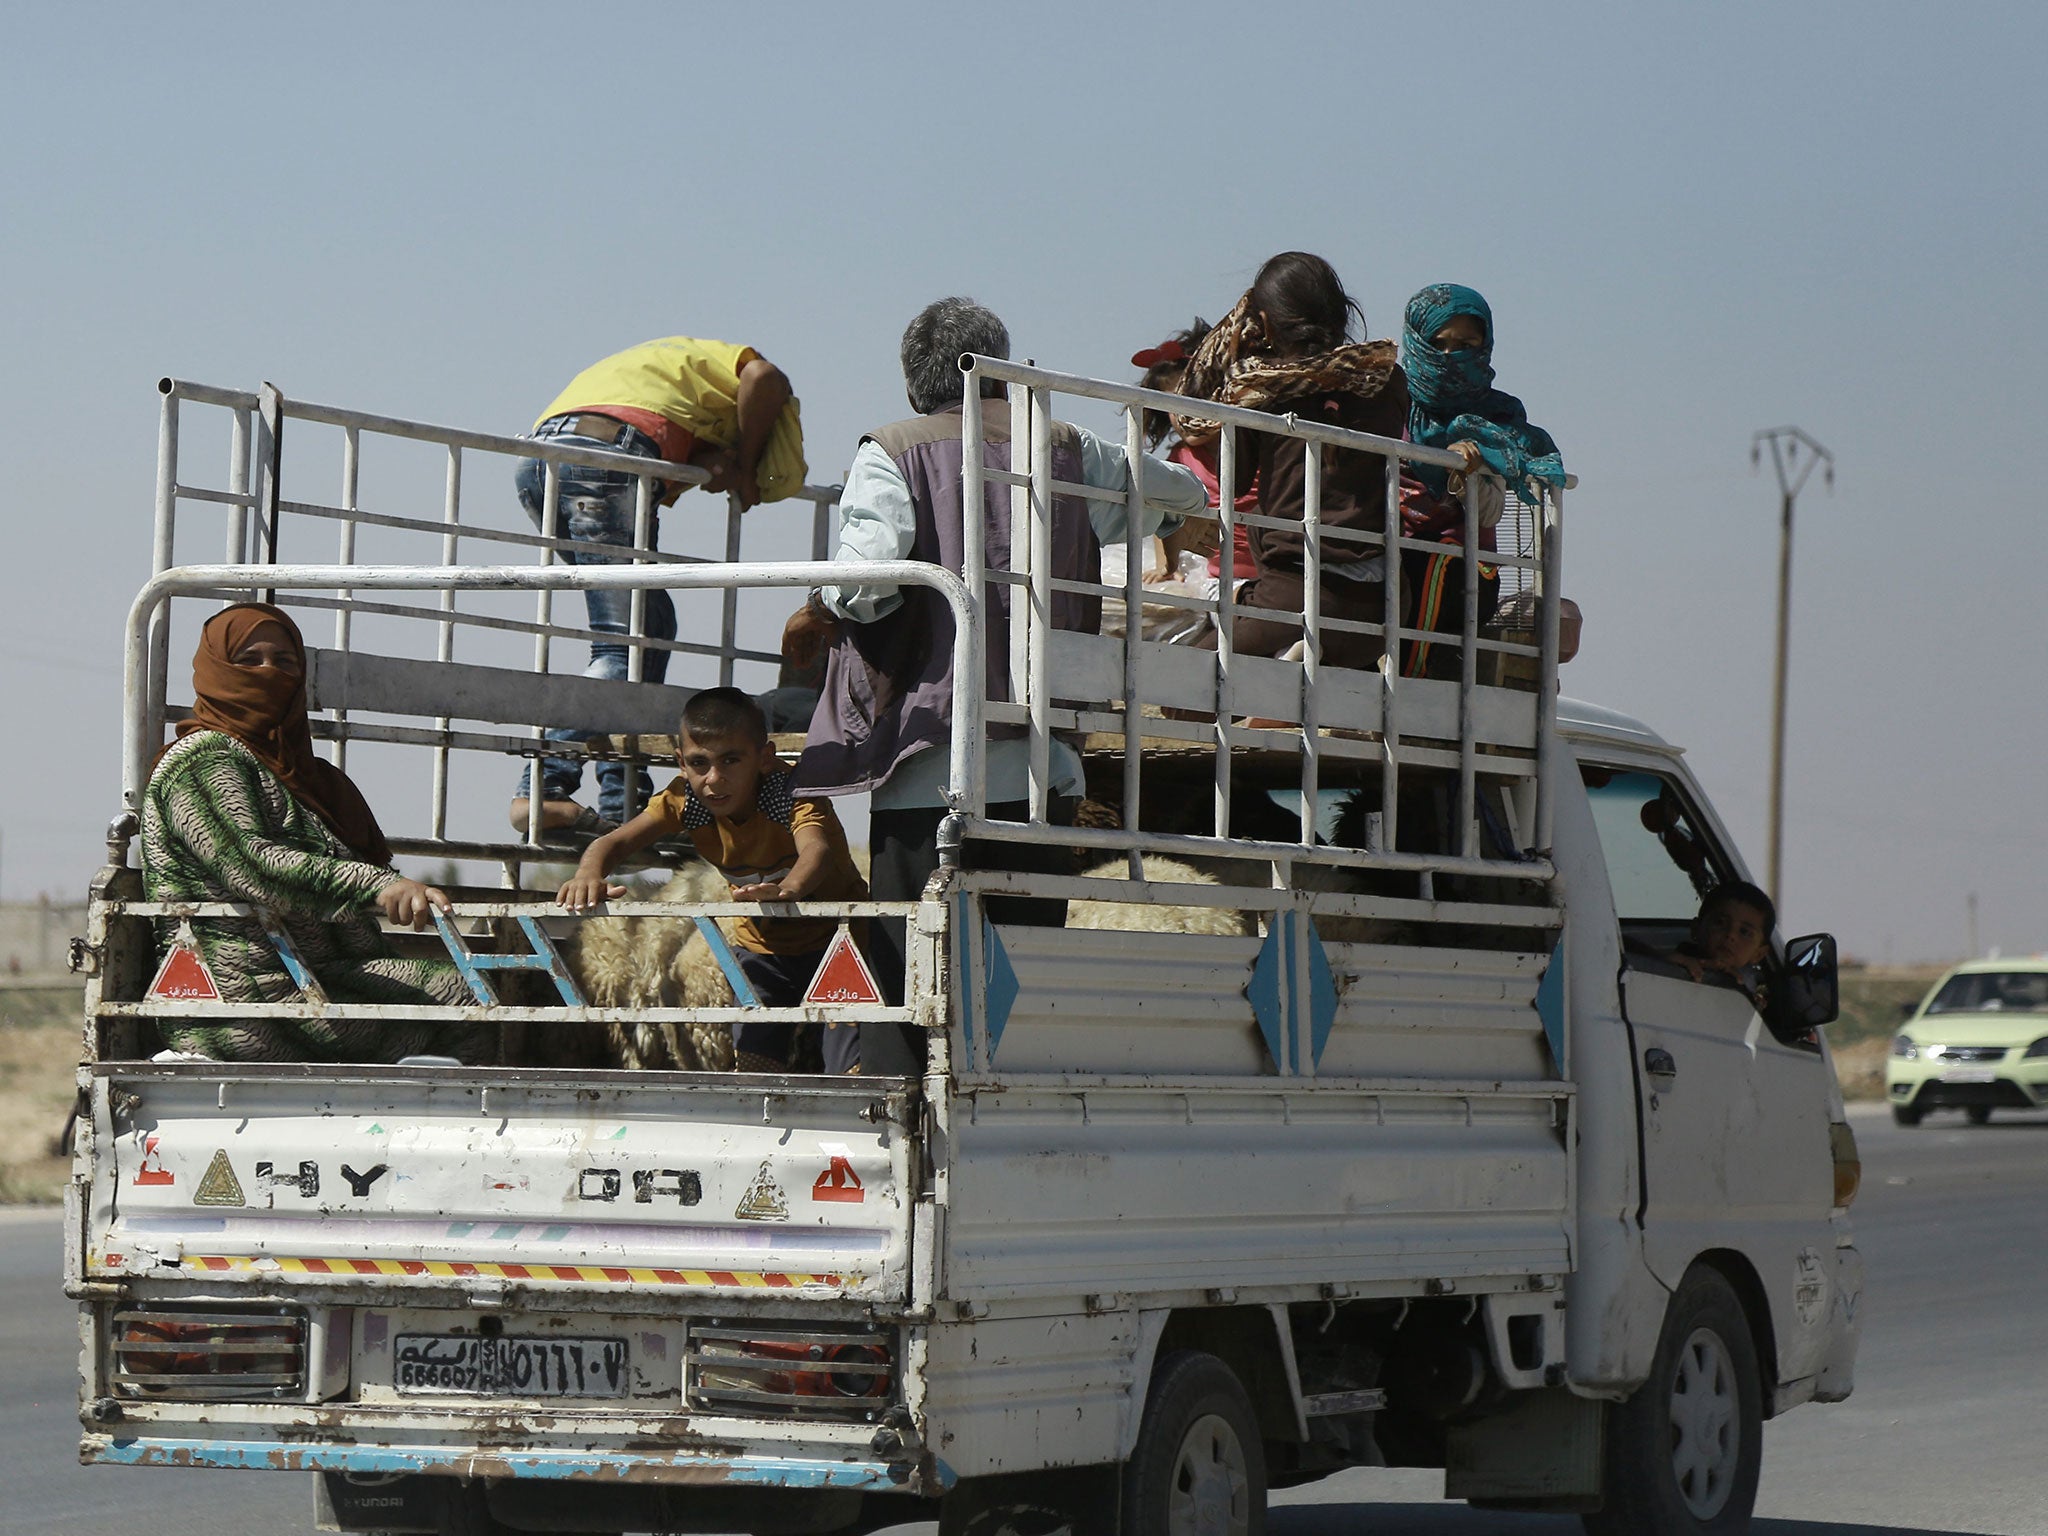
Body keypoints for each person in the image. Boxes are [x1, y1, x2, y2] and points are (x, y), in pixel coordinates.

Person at [781, 297, 1207, 1074]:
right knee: (1020, 985)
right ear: (1003, 372)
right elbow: (1183, 496)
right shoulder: (1068, 449)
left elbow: (864, 584)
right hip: (1048, 767)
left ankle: (906, 1137)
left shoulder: (893, 451)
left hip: (927, 767)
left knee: (915, 982)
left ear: (915, 382)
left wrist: (820, 604)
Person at [140, 604, 488, 1063]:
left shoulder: (293, 774)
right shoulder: (203, 761)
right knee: (464, 1004)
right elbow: (252, 865)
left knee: (477, 993)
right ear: (215, 671)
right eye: (249, 660)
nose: (269, 672)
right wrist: (380, 886)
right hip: (246, 998)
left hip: (317, 976)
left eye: (285, 662)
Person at [510, 336, 807, 836]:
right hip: (605, 457)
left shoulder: (682, 387)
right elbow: (766, 380)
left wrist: (716, 464)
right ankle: (542, 786)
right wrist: (745, 459)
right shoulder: (738, 372)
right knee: (622, 639)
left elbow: (694, 449)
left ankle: (622, 800)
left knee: (649, 622)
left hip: (544, 459)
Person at [557, 687, 866, 1074]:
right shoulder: (686, 801)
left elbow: (816, 851)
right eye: (699, 763)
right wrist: (589, 873)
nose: (714, 779)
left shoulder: (791, 794)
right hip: (763, 948)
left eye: (731, 761)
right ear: (681, 763)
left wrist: (789, 889)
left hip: (836, 942)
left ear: (764, 758)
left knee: (851, 1070)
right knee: (755, 1063)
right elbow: (614, 842)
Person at [1180, 253, 1410, 670]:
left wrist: (1235, 370)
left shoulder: (1261, 388)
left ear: (1265, 325)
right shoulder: (1386, 377)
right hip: (1387, 603)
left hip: (1297, 590)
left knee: (1178, 678)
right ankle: (1305, 658)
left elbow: (1233, 480)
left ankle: (1290, 655)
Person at [1398, 284, 1565, 678]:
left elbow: (1490, 514)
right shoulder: (1391, 402)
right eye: (1438, 342)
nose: (1450, 356)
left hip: (1460, 570)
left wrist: (1471, 469)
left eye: (1466, 344)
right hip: (1386, 552)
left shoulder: (1497, 418)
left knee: (1440, 566)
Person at [1671, 881, 1775, 1008]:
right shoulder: (1680, 963)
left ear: (1758, 954)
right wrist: (1674, 964)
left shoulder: (1746, 990)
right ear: (1696, 929)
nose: (1730, 935)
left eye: (1744, 932)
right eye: (1720, 922)